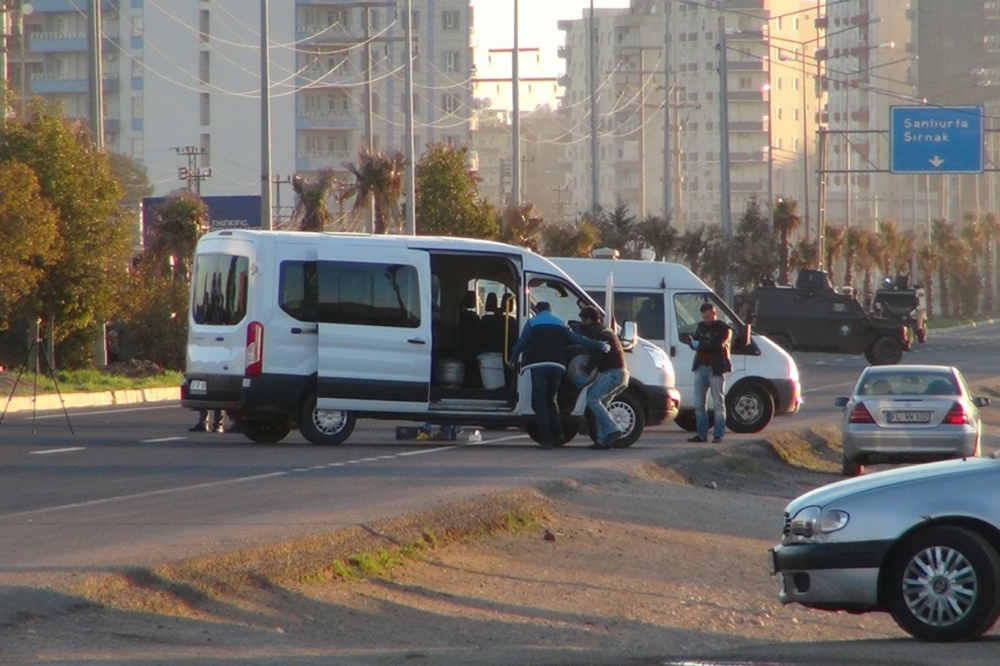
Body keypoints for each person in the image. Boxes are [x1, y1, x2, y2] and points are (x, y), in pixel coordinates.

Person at [509, 302, 609, 449]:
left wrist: (513, 359)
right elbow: (578, 339)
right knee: (552, 399)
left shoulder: (532, 323)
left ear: (537, 310)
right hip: (557, 366)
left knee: (540, 402)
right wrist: (598, 344)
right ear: (550, 310)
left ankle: (547, 439)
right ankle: (558, 435)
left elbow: (521, 343)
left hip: (538, 365)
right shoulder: (561, 323)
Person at [574, 306, 629, 450]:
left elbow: (597, 354)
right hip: (622, 374)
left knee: (592, 398)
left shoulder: (596, 332)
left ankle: (613, 429)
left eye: (583, 320)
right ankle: (602, 441)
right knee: (601, 402)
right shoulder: (605, 329)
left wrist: (585, 371)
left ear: (589, 319)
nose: (582, 323)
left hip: (612, 373)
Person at [687, 302, 732, 444]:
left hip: (716, 368)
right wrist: (693, 343)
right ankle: (701, 434)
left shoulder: (724, 328)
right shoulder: (701, 326)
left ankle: (718, 434)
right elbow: (696, 340)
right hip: (700, 367)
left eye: (708, 317)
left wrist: (700, 344)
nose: (706, 320)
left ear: (714, 313)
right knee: (699, 403)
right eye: (704, 317)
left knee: (718, 403)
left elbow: (718, 344)